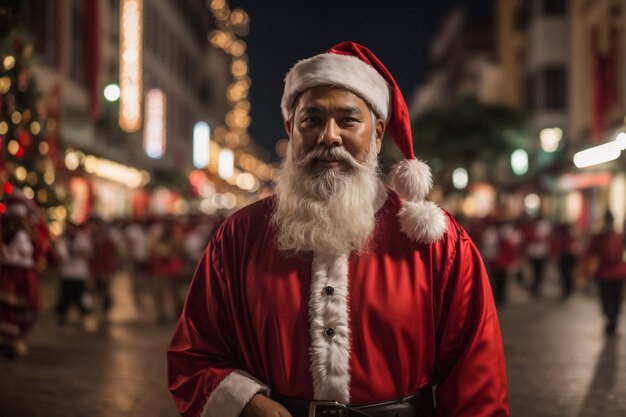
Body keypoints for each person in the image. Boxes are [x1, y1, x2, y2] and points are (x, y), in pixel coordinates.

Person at [167, 41, 509, 417]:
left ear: (377, 134)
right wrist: (247, 403)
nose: (328, 136)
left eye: (348, 120)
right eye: (311, 120)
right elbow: (194, 355)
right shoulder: (238, 237)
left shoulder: (439, 244)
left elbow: (477, 383)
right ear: (290, 130)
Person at [0, 194, 40, 358]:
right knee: (8, 309)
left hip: (17, 276)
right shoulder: (12, 232)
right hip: (12, 273)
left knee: (14, 308)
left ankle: (12, 341)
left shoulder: (22, 234)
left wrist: (5, 253)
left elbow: (23, 253)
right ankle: (9, 340)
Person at [581, 210, 626, 335]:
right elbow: (590, 253)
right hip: (605, 273)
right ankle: (610, 317)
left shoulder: (619, 236)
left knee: (616, 299)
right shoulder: (599, 237)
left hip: (617, 272)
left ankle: (613, 319)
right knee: (606, 298)